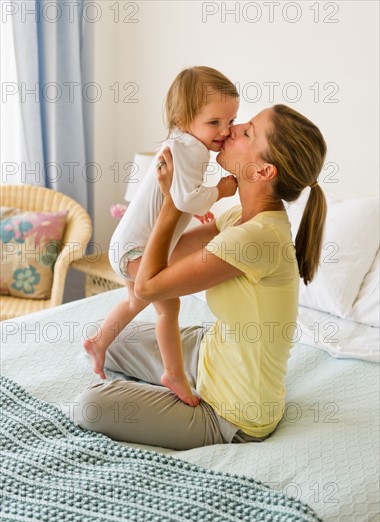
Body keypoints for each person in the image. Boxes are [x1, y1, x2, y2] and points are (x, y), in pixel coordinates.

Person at [74, 104, 327, 451]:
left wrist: (172, 201)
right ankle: (180, 373)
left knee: (90, 405)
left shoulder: (256, 240)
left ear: (265, 170)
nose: (233, 129)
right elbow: (160, 254)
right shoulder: (241, 217)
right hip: (212, 355)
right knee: (112, 340)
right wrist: (173, 190)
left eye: (248, 132)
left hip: (235, 412)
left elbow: (148, 286)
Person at [84, 67, 239, 407]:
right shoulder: (192, 151)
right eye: (215, 122)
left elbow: (179, 195)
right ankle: (174, 374)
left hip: (130, 244)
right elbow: (182, 198)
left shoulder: (183, 144)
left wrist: (198, 207)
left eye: (230, 121)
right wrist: (221, 192)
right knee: (169, 307)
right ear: (185, 118)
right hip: (137, 249)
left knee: (134, 302)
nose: (225, 131)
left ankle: (98, 343)